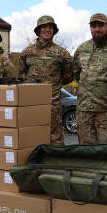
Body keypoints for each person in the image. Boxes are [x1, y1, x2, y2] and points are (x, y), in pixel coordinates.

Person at [19, 15, 73, 146]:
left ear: (54, 31)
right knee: (32, 133)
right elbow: (22, 75)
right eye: (44, 27)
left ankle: (56, 163)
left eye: (50, 27)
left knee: (55, 137)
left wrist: (53, 86)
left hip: (52, 102)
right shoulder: (27, 52)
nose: (47, 30)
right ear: (38, 30)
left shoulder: (61, 52)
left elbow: (68, 76)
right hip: (31, 102)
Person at [73, 13, 107, 144]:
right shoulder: (82, 48)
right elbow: (76, 73)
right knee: (86, 152)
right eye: (93, 26)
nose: (97, 29)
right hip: (84, 112)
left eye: (100, 25)